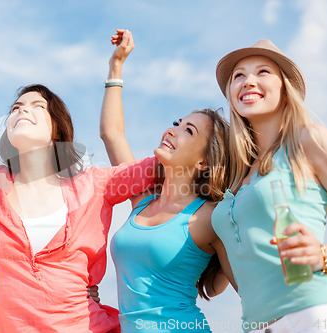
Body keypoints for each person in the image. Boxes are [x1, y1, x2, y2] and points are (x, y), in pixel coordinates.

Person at [0, 84, 158, 333]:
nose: (22, 111)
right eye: (16, 108)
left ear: (56, 127)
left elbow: (159, 167)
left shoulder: (92, 185)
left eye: (37, 106)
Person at [100, 29, 233, 332]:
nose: (172, 130)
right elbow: (112, 135)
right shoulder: (142, 198)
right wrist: (116, 66)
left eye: (189, 131)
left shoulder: (209, 216)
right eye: (177, 123)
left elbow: (227, 287)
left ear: (204, 162)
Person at [212, 39, 327, 332]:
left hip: (315, 315)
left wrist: (325, 255)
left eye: (262, 72)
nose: (248, 81)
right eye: (239, 76)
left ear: (285, 90)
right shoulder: (236, 177)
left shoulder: (308, 140)